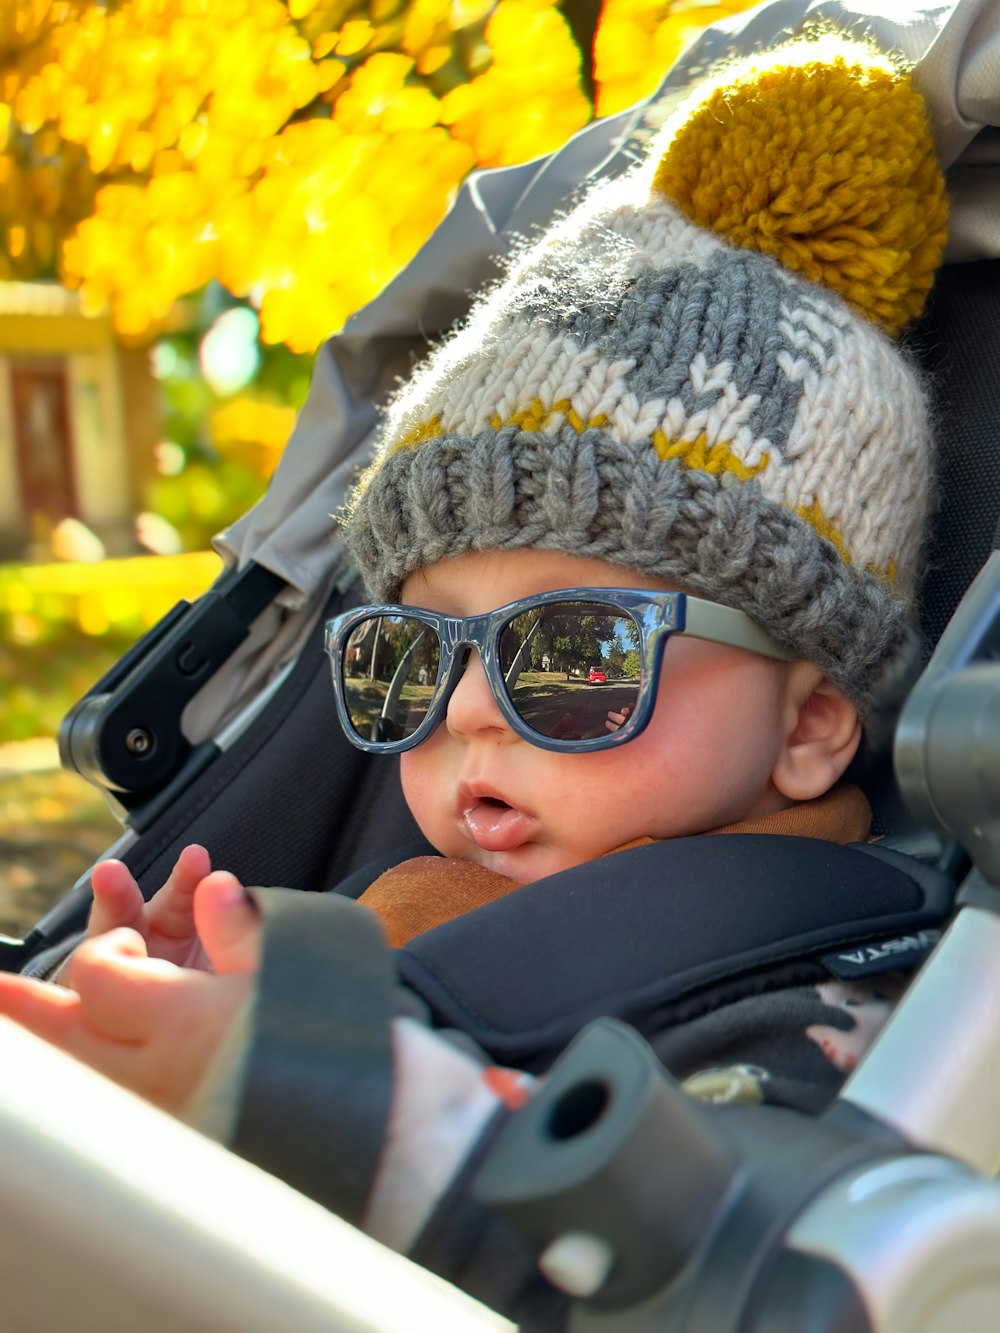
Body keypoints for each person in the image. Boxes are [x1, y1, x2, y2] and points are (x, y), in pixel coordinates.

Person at [0, 33, 949, 1327]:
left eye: (571, 652)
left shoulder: (844, 1008)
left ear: (813, 725)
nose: (465, 712)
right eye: (409, 654)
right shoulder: (402, 895)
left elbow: (724, 1270)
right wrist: (166, 1012)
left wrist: (310, 1093)